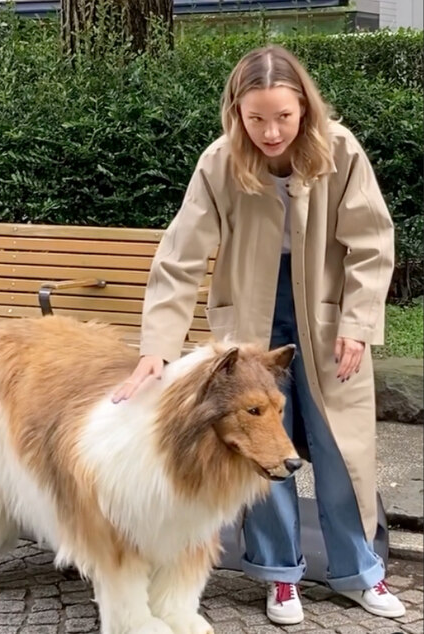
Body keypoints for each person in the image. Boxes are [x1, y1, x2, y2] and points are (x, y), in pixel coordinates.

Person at [113, 45, 405, 625]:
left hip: (327, 315)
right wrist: (157, 350)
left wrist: (358, 321)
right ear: (236, 113)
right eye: (256, 118)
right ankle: (279, 578)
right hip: (248, 318)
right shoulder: (220, 162)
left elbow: (372, 242)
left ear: (305, 110)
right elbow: (179, 259)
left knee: (341, 447)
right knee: (257, 448)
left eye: (283, 117)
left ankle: (360, 572)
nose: (271, 131)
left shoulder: (340, 151)